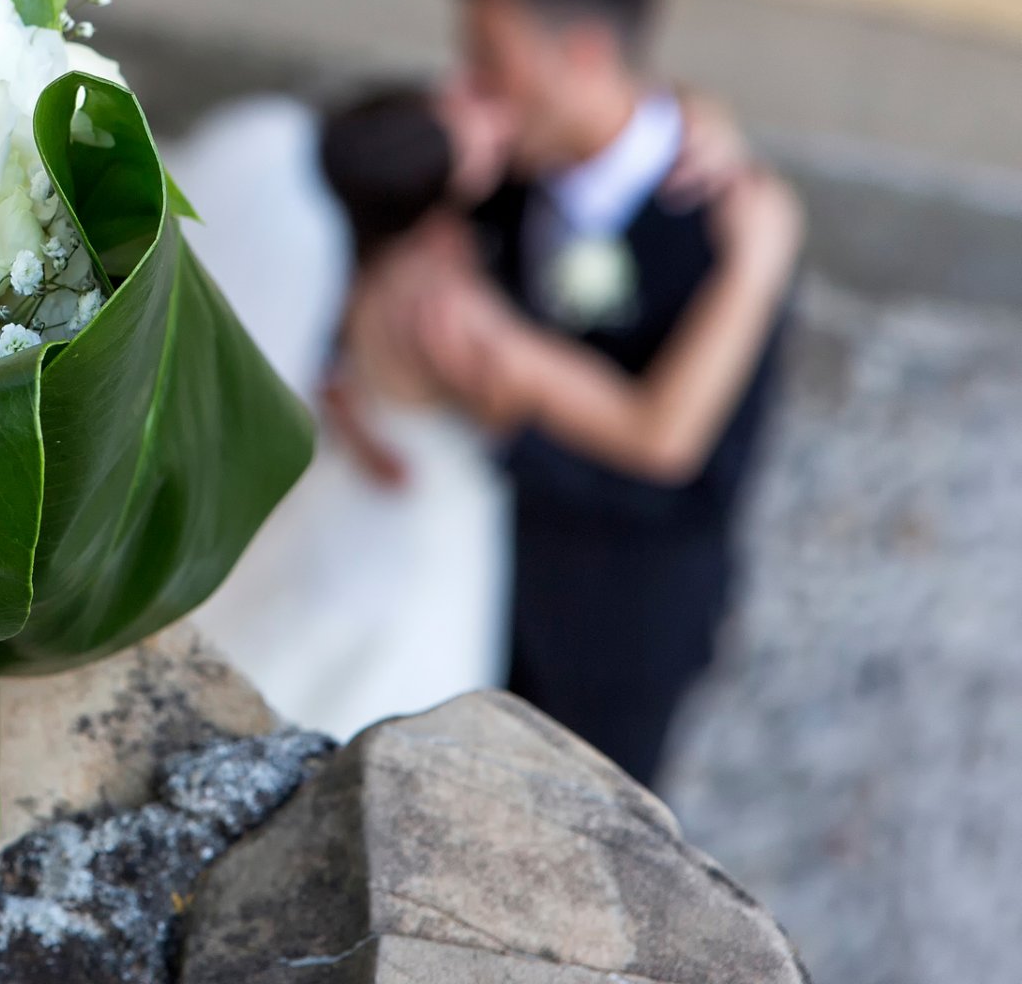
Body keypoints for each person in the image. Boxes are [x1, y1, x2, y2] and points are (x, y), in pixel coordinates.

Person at [188, 78, 799, 747]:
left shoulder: (302, 164)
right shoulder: (447, 307)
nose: (489, 110)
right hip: (423, 513)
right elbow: (657, 434)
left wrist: (689, 114)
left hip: (382, 489)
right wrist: (756, 266)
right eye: (473, 117)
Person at [449, 0, 792, 785]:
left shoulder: (727, 233)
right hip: (481, 587)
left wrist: (511, 422)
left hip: (614, 636)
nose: (473, 86)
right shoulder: (510, 173)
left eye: (493, 59)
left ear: (587, 52)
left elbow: (692, 479)